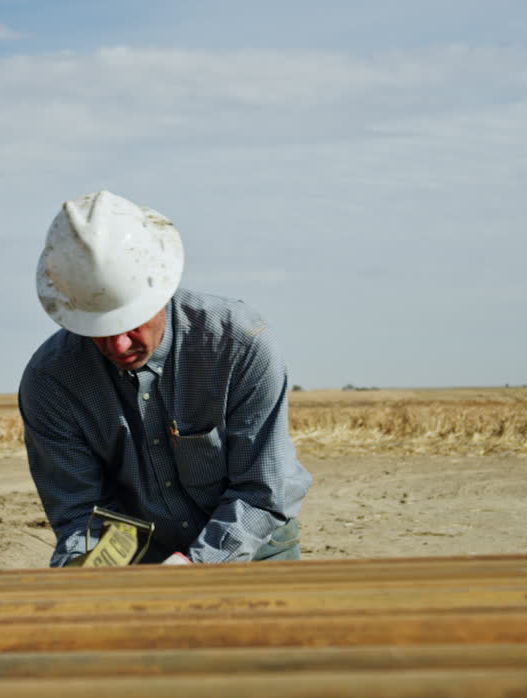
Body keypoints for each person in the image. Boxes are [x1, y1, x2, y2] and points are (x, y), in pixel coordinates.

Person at [19, 190, 312, 566]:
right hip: (138, 560)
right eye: (99, 328)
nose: (119, 343)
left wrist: (196, 565)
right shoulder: (52, 383)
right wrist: (90, 572)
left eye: (129, 322)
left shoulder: (239, 344)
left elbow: (262, 490)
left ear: (162, 289)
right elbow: (80, 514)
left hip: (254, 549)